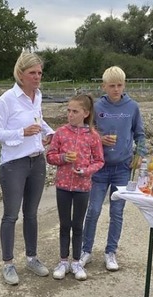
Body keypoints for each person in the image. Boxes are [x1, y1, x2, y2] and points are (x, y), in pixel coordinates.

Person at [0, 51, 55, 285]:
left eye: (39, 73)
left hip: (37, 161)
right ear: (20, 74)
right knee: (10, 215)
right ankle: (8, 264)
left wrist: (50, 133)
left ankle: (32, 258)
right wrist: (21, 132)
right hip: (13, 164)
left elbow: (39, 120)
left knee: (32, 213)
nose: (37, 77)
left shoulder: (37, 96)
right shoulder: (7, 100)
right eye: (32, 73)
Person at [80, 66, 147, 271]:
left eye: (119, 85)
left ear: (124, 85)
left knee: (117, 212)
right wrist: (99, 138)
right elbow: (85, 130)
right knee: (93, 210)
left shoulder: (132, 107)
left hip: (122, 168)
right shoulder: (97, 106)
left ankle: (111, 252)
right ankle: (86, 250)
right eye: (112, 86)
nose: (116, 89)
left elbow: (140, 134)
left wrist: (139, 154)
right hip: (99, 167)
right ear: (104, 86)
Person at [46, 94, 104, 281]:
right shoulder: (61, 132)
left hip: (83, 186)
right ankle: (63, 261)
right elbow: (50, 156)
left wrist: (86, 171)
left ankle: (77, 261)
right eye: (68, 110)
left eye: (75, 111)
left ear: (85, 113)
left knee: (78, 225)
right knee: (64, 224)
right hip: (62, 185)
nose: (70, 114)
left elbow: (99, 161)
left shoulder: (93, 137)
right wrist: (63, 158)